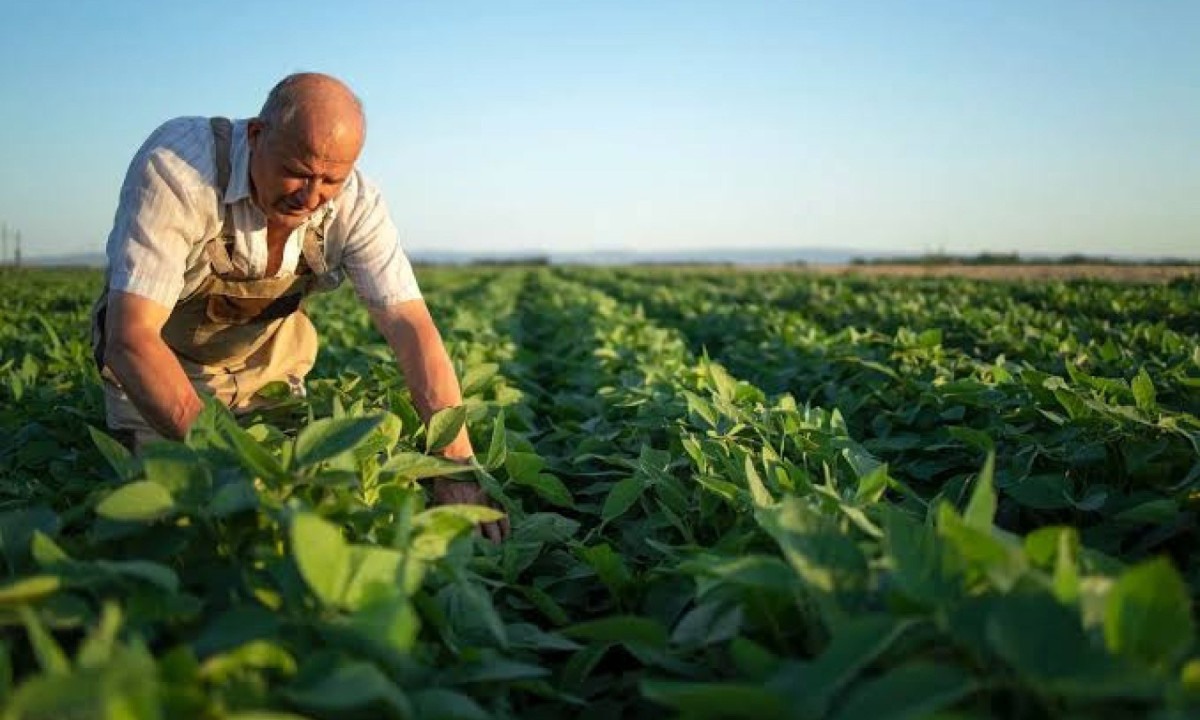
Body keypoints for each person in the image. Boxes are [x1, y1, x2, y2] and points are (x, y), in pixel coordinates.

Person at [90, 72, 508, 542]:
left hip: (269, 374)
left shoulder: (357, 203)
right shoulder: (179, 168)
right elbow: (130, 341)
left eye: (331, 179)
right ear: (255, 135)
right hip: (162, 375)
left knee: (321, 513)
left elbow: (410, 326)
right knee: (184, 522)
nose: (311, 197)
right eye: (298, 171)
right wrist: (239, 466)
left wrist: (453, 468)